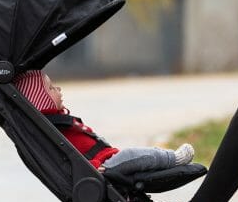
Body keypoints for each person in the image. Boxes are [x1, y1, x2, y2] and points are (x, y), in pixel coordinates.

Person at [13, 70, 194, 175]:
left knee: (131, 155)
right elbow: (64, 158)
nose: (58, 89)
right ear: (40, 100)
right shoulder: (51, 128)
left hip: (102, 160)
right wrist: (91, 169)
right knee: (133, 154)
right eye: (51, 88)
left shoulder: (57, 122)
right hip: (99, 169)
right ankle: (172, 159)